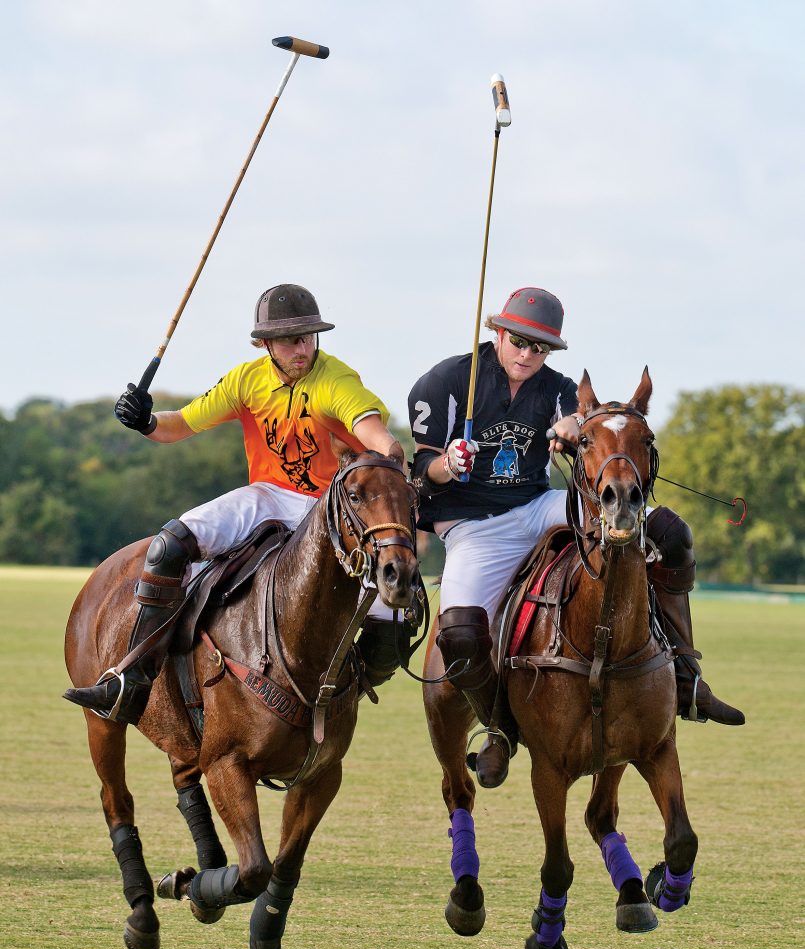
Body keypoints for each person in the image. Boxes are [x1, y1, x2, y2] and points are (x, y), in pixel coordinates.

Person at [408, 286, 745, 789]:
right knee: (457, 631)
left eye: (539, 347)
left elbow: (575, 417)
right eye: (518, 342)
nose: (527, 355)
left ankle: (687, 678)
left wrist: (570, 428)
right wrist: (447, 464)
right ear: (497, 334)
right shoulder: (449, 381)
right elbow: (421, 469)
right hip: (473, 526)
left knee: (669, 532)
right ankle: (499, 726)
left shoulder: (558, 385)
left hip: (539, 506)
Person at [65, 284, 407, 725]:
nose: (302, 348)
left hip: (330, 509)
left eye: (308, 337)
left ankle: (344, 690)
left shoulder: (335, 379)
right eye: (289, 339)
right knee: (171, 544)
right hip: (267, 496)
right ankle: (133, 681)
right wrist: (146, 421)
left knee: (391, 610)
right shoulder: (246, 380)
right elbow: (182, 424)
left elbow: (372, 429)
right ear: (264, 344)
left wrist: (388, 451)